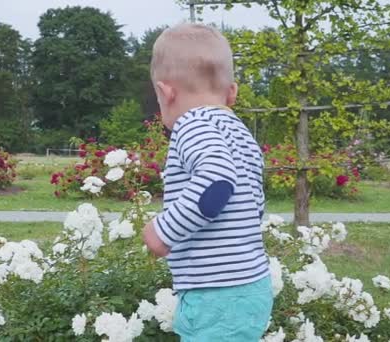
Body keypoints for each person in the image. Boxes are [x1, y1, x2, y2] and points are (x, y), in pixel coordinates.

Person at [142, 23, 273, 341]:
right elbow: (253, 201)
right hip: (251, 283)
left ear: (165, 92)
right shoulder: (239, 132)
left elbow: (217, 182)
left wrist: (163, 231)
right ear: (232, 93)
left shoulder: (193, 124)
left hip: (217, 292)